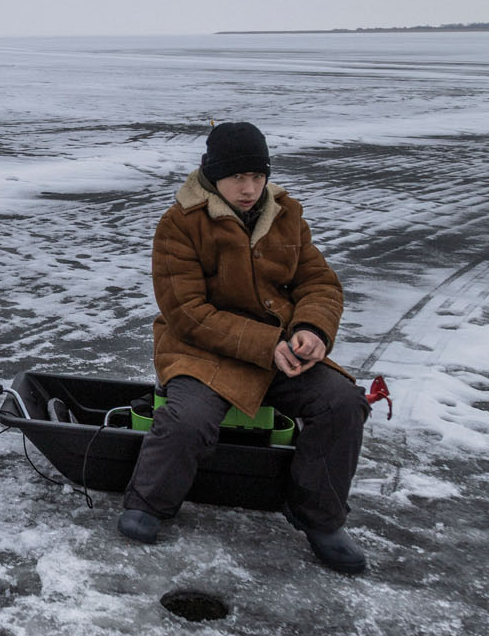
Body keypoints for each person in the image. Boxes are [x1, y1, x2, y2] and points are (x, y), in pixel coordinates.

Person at [118, 122, 370, 574]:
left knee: (343, 403)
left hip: (280, 350)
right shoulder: (180, 223)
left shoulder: (287, 216)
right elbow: (185, 311)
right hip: (201, 348)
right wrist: (265, 343)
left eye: (258, 176)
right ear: (213, 174)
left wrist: (311, 328)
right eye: (238, 177)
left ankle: (321, 519)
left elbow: (319, 283)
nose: (250, 188)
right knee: (188, 419)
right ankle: (149, 502)